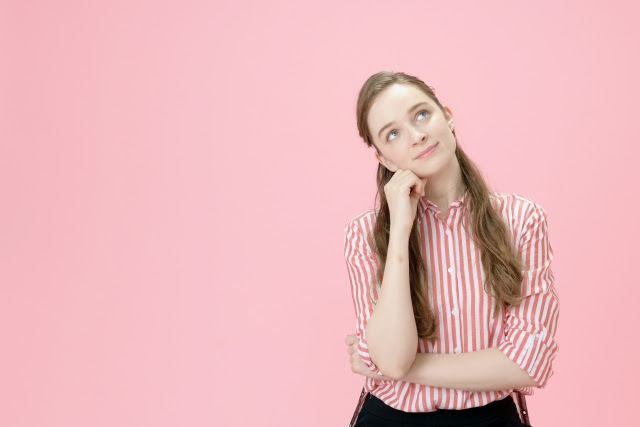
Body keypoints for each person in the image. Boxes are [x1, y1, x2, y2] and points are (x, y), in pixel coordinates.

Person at [343, 71, 559, 427]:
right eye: (393, 134)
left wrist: (392, 367)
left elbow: (527, 362)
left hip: (491, 420)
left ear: (447, 115)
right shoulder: (365, 235)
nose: (417, 136)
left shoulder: (521, 220)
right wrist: (399, 231)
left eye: (421, 115)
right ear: (385, 159)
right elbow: (392, 359)